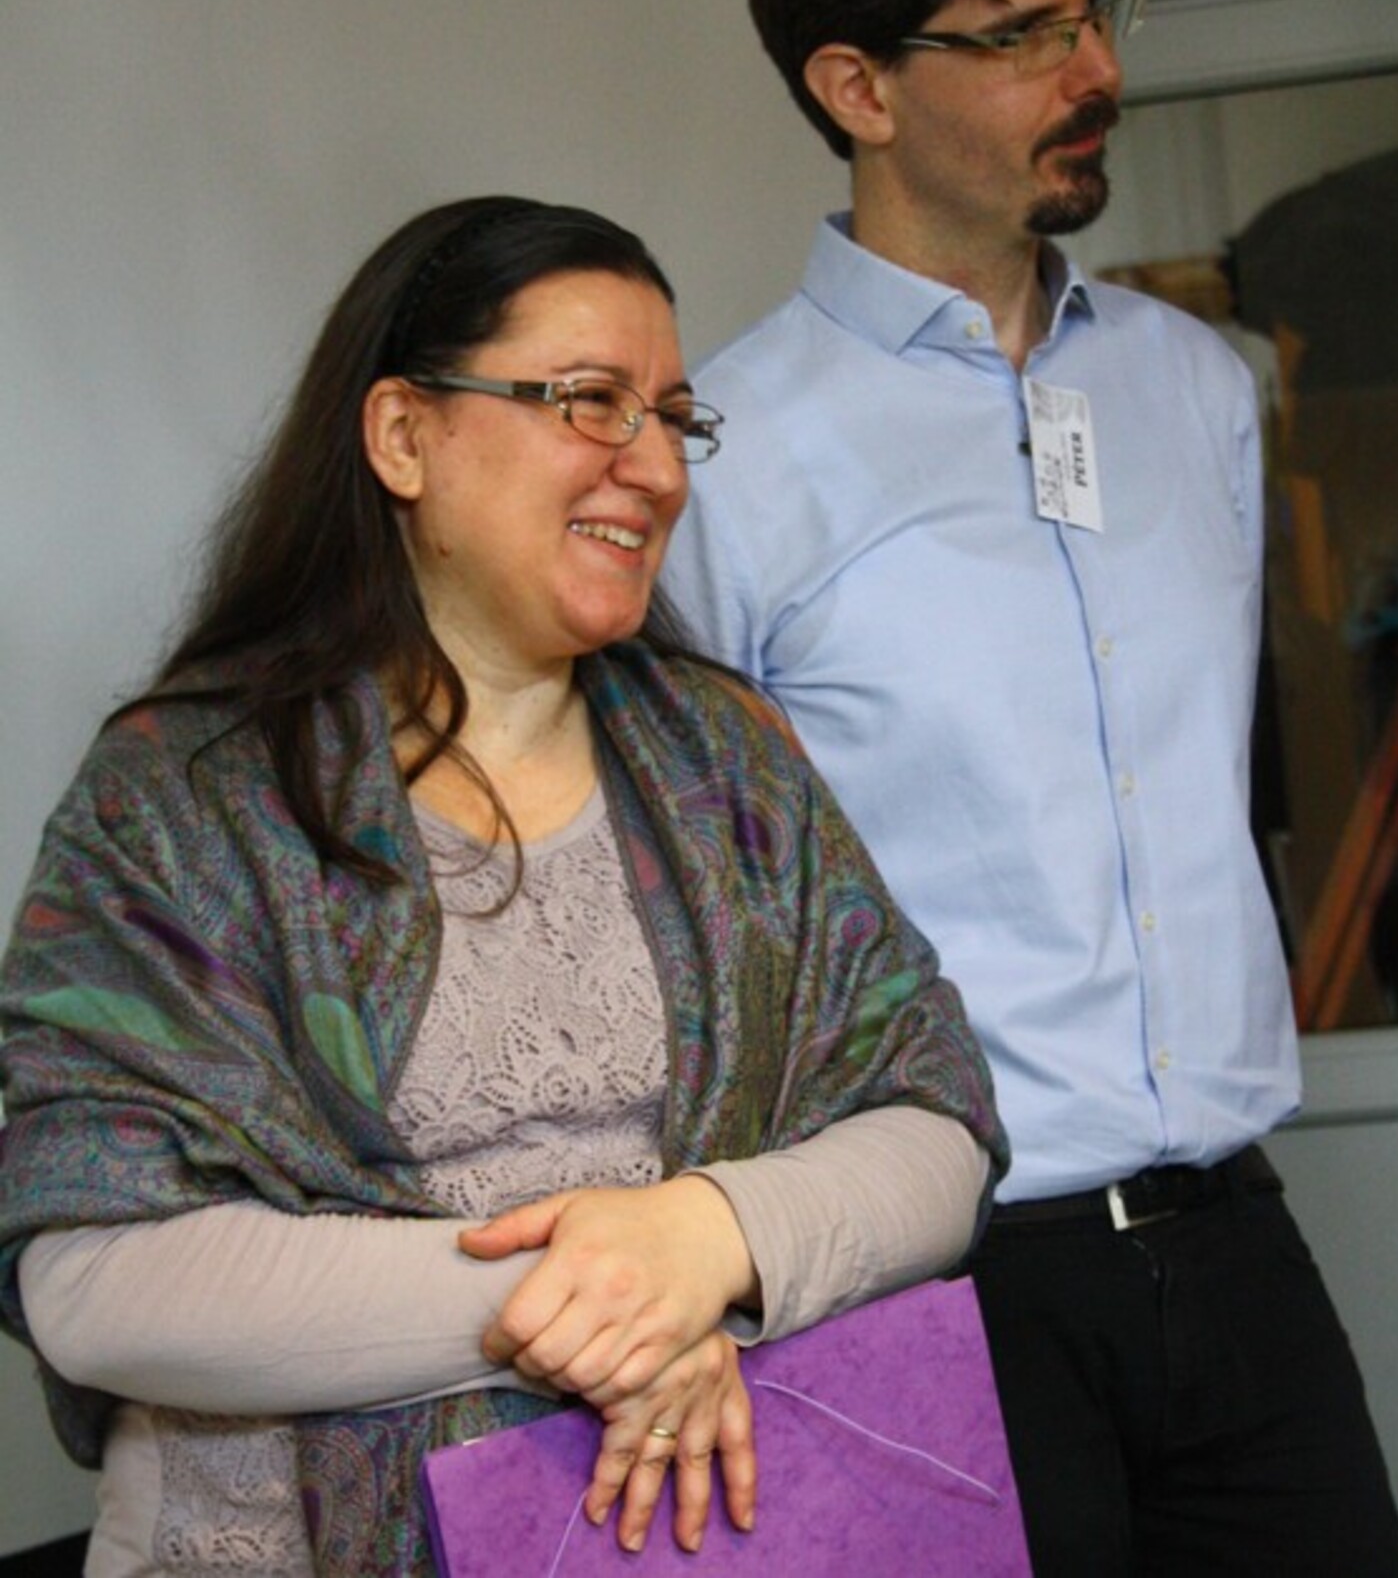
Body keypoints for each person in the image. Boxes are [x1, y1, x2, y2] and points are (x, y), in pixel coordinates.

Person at [0, 194, 1002, 1577]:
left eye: (675, 417)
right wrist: (612, 1304)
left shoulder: (732, 762)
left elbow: (936, 1126)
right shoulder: (185, 796)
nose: (656, 468)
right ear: (403, 436)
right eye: (591, 402)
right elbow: (94, 1274)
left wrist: (714, 1237)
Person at [662, 0, 1398, 1576]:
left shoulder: (1196, 391)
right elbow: (700, 928)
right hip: (943, 1279)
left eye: (1098, 11)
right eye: (1023, 37)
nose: (1098, 73)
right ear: (857, 88)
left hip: (1239, 1240)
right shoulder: (724, 464)